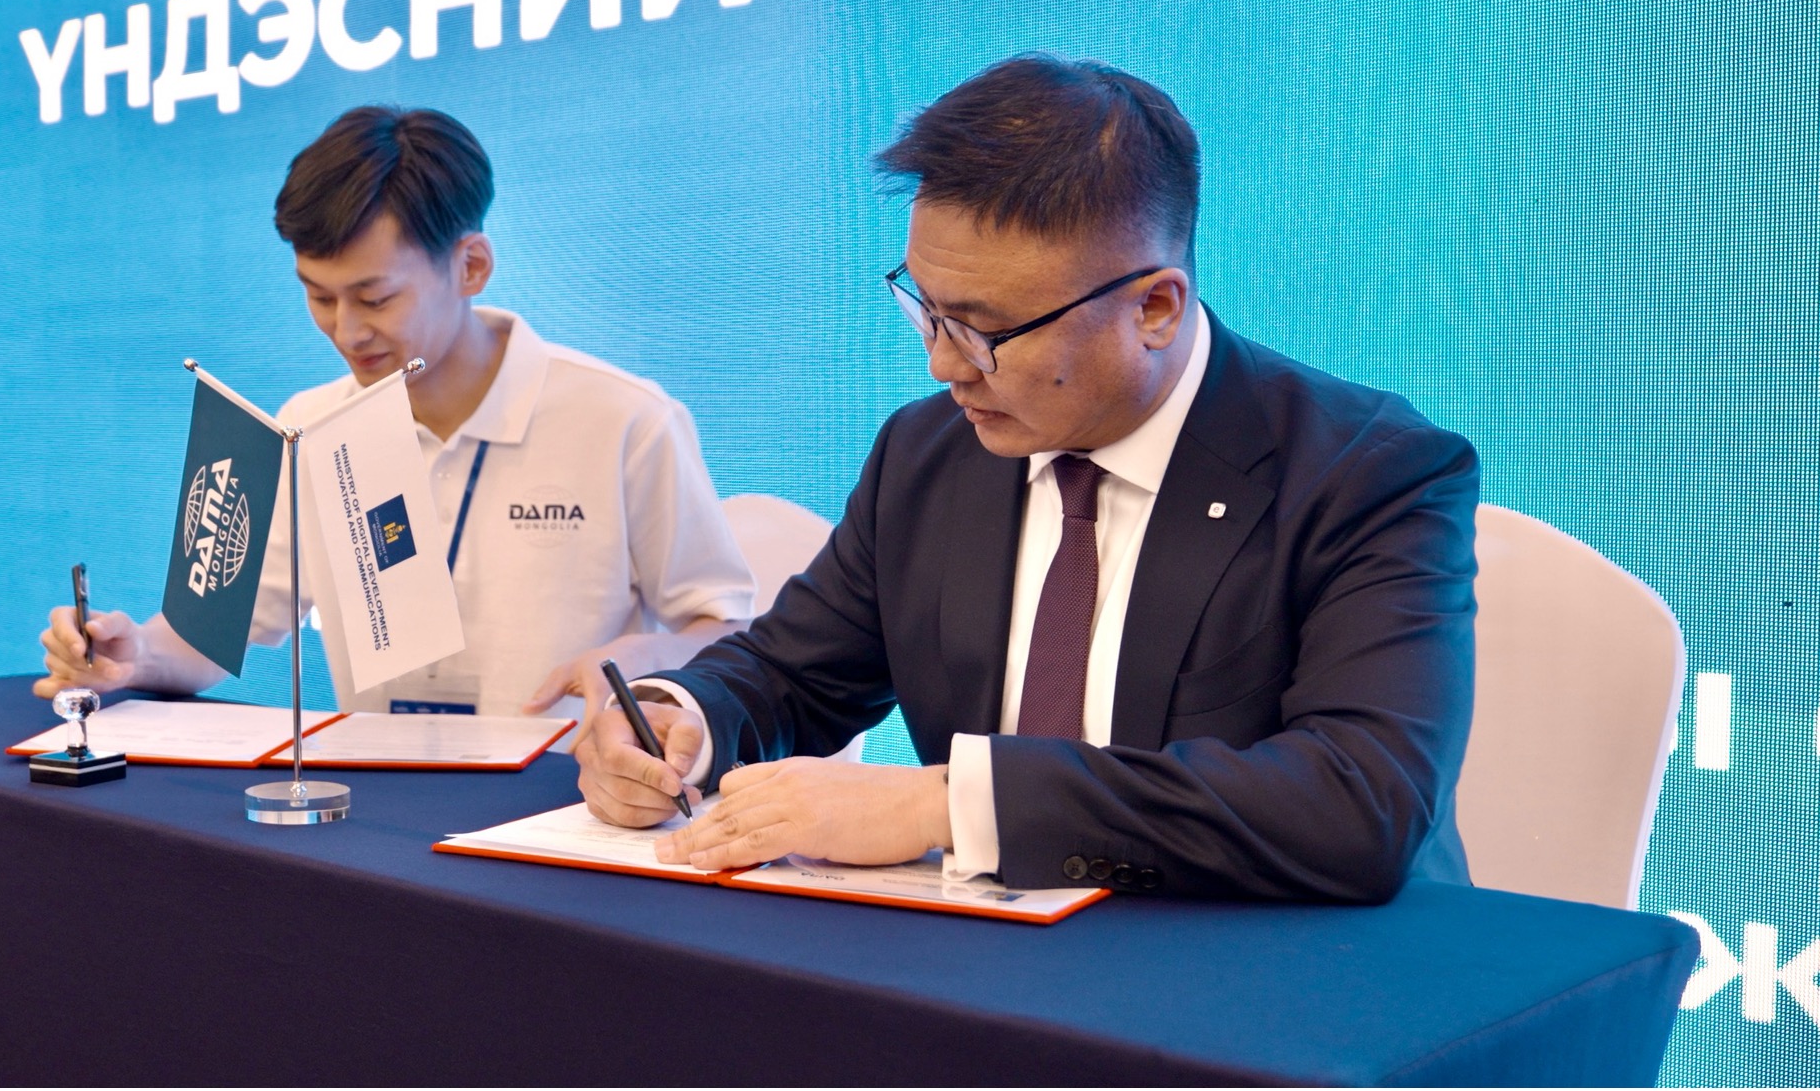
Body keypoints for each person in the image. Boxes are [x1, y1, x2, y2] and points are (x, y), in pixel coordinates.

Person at [575, 56, 1478, 901]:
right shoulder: (928, 453)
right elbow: (792, 673)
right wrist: (678, 719)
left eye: (984, 330)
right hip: (995, 960)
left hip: (1282, 967)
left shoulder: (1368, 471)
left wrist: (946, 806)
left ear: (1154, 308)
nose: (942, 365)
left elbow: (1358, 798)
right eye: (925, 311)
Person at [34, 107, 755, 724]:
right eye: (319, 297)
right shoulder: (306, 425)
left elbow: (727, 629)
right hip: (372, 801)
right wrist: (131, 655)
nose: (346, 331)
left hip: (570, 800)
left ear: (471, 266)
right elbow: (214, 635)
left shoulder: (624, 420)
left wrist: (649, 654)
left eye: (375, 299)